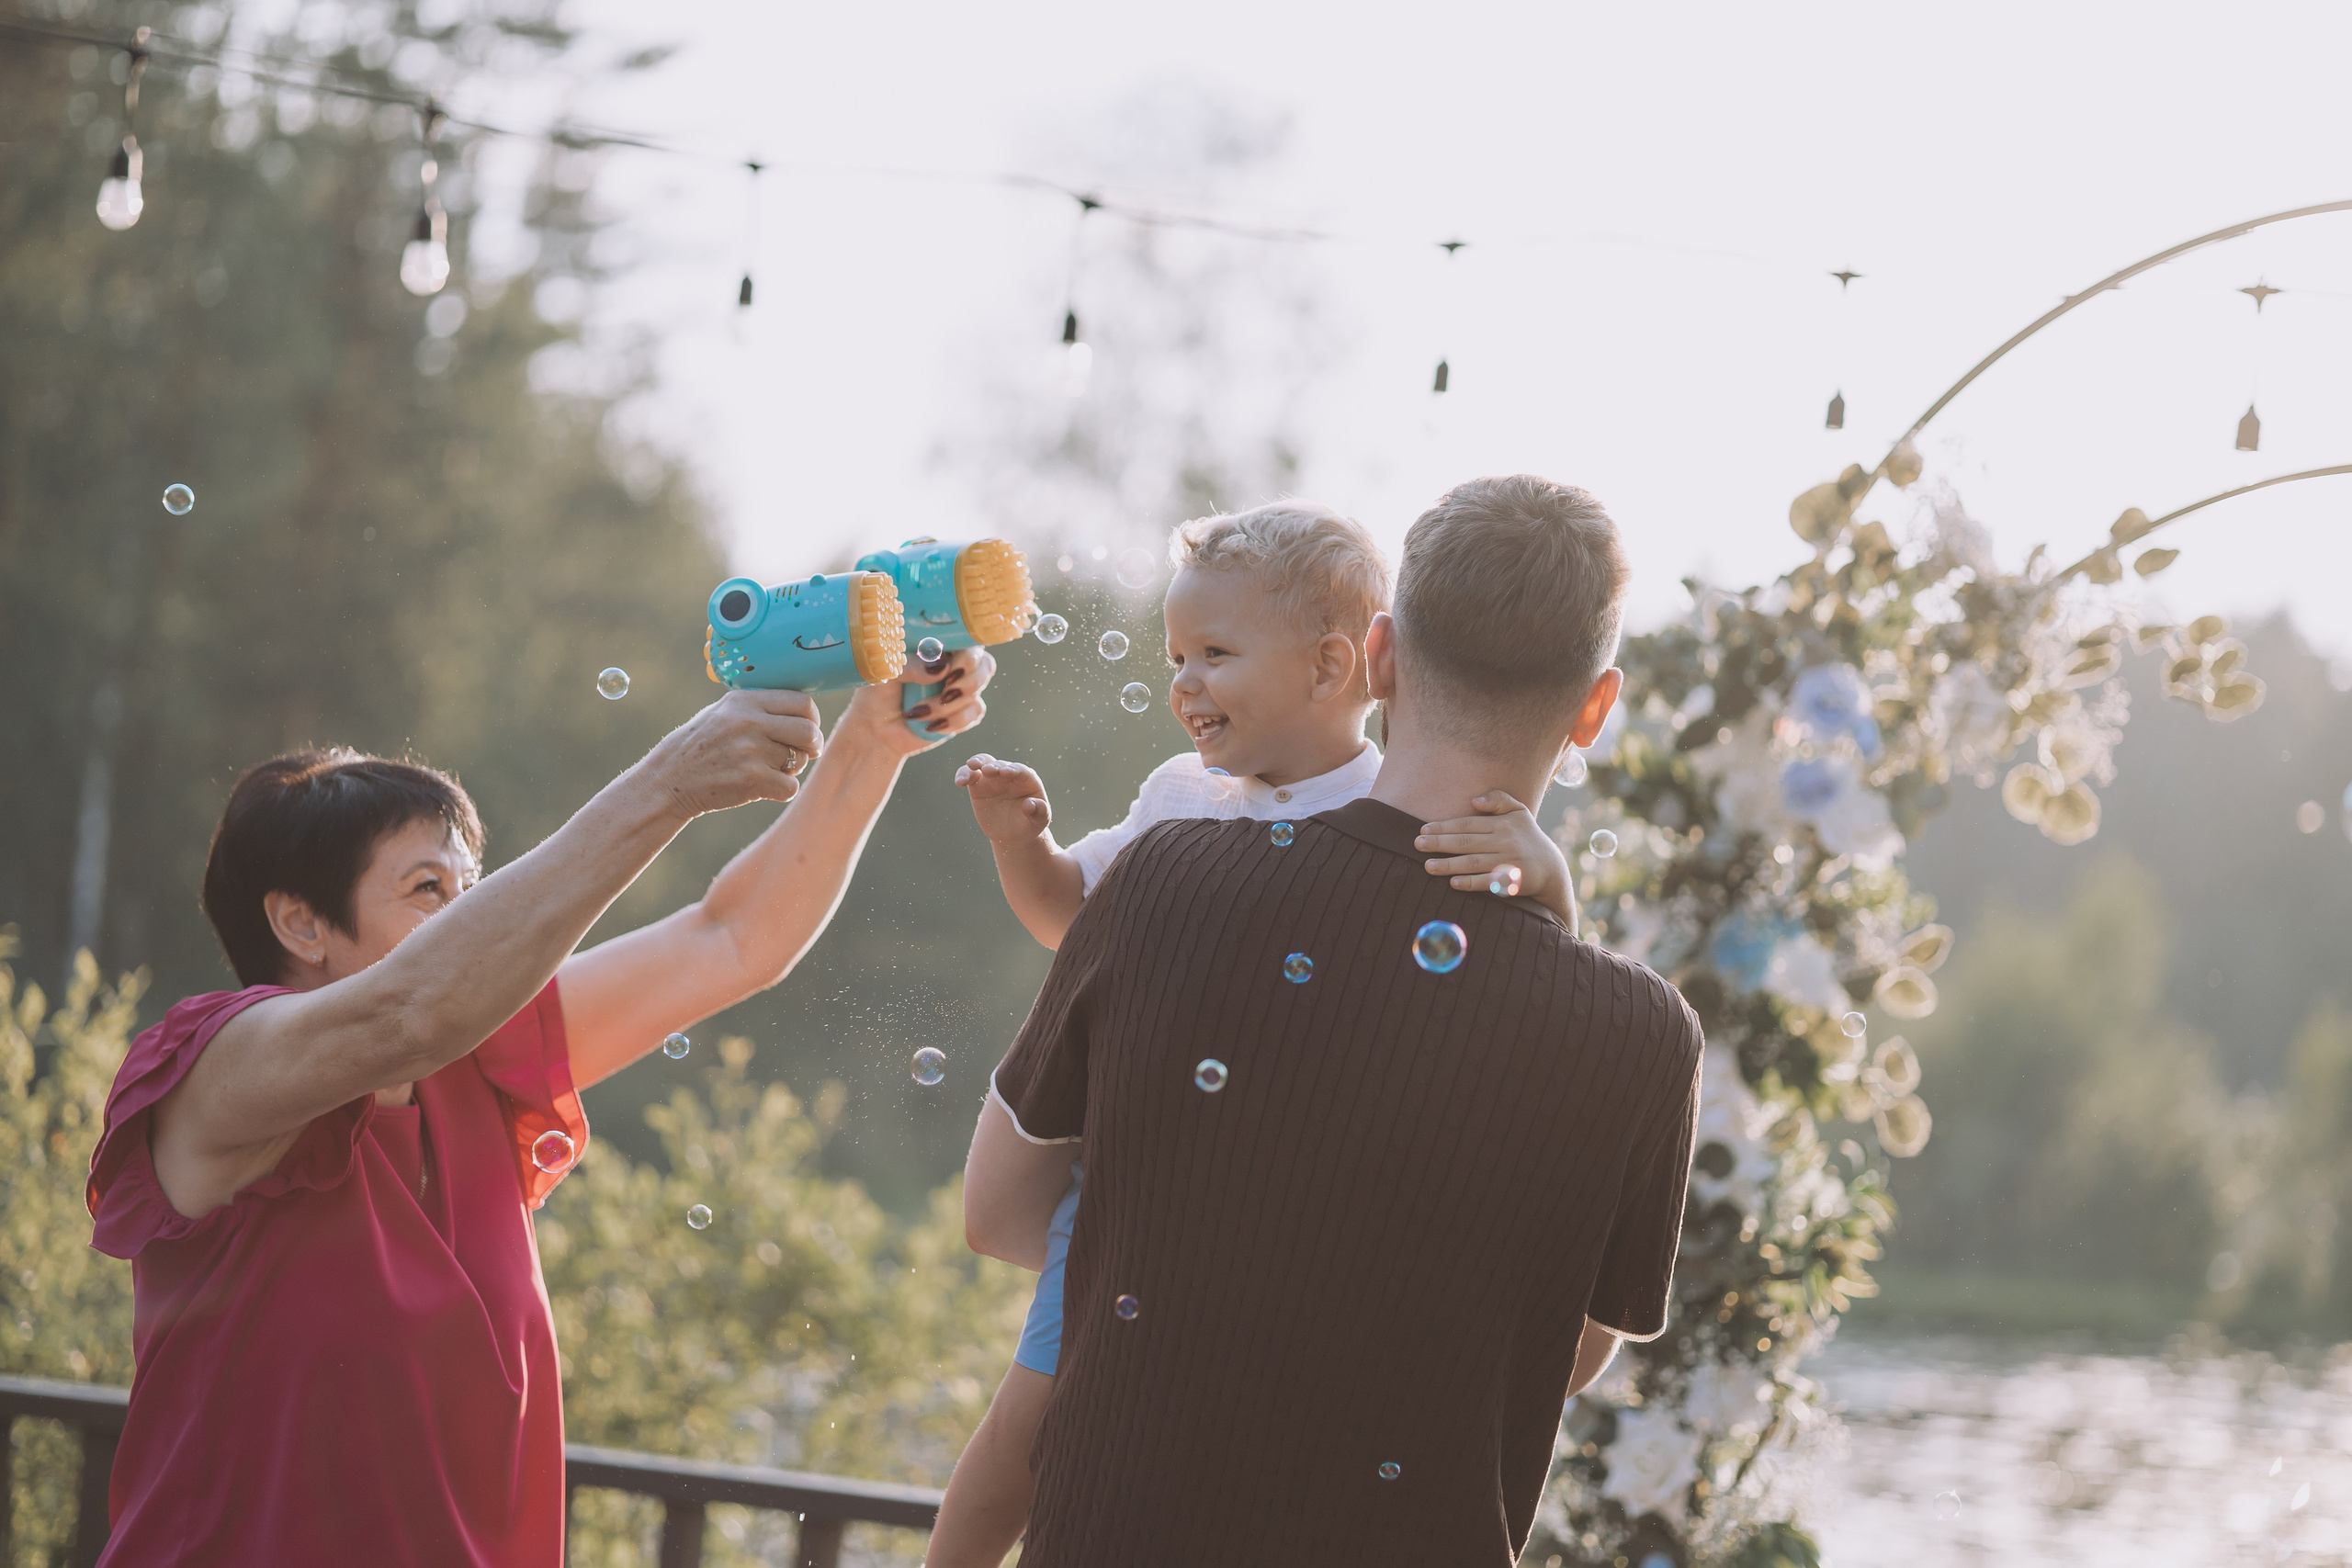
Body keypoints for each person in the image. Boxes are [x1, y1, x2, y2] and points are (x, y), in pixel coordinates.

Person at [83, 649, 994, 1567]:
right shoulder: (214, 1067)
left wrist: (872, 741)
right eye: (428, 890)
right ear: (300, 924)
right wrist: (668, 783)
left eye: (470, 888)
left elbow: (732, 937)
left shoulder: (475, 1061)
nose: (471, 918)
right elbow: (410, 1011)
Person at [961, 476, 1703, 1566]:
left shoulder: (1163, 879)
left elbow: (997, 1215)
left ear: (1380, 657)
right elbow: (1566, 1351)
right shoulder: (1644, 1036)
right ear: (1595, 708)